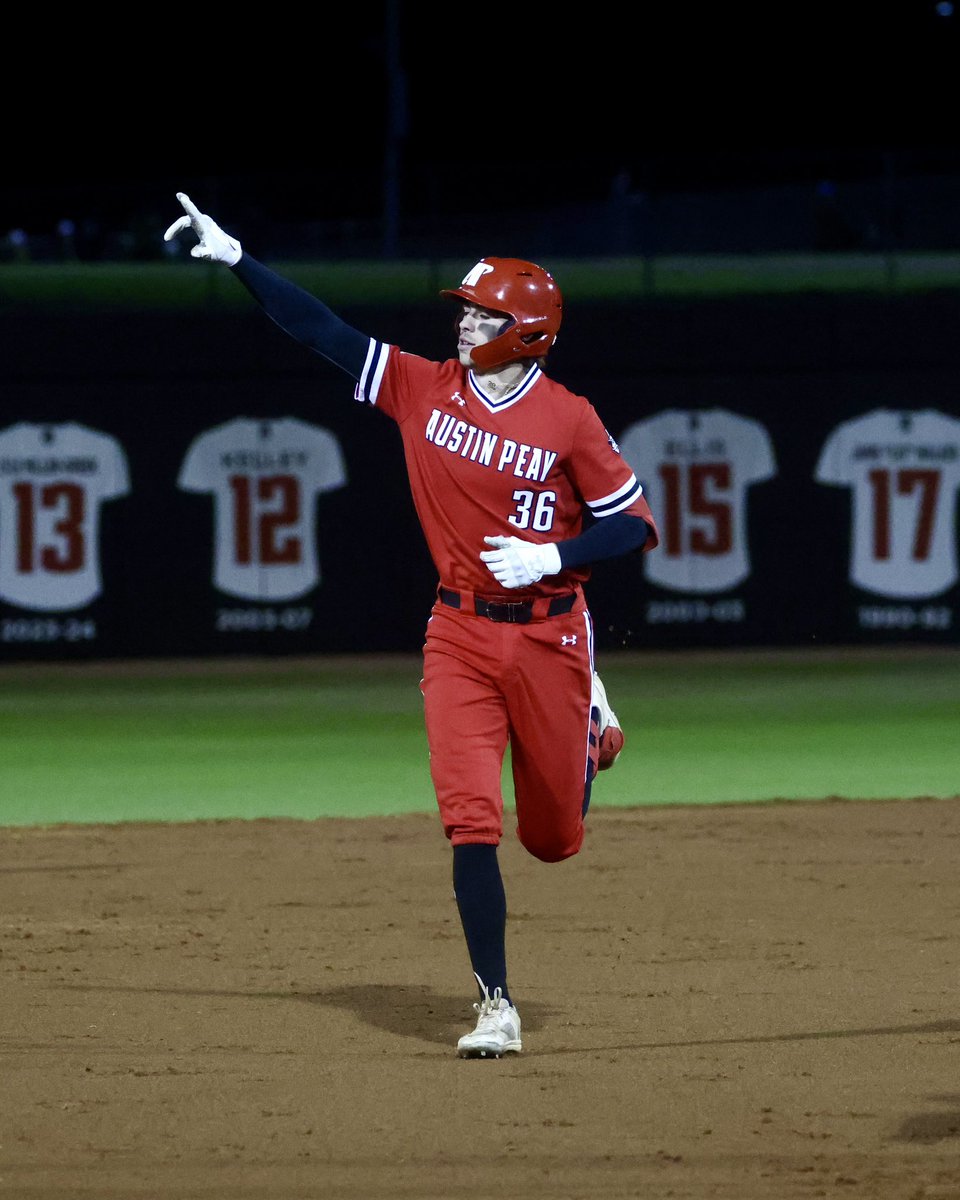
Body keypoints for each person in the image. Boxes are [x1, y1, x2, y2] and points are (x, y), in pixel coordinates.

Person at [163, 194, 660, 1058]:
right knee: (472, 820)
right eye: (464, 313)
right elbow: (325, 333)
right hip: (458, 635)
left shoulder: (568, 418)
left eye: (481, 314)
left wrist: (553, 556)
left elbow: (635, 524)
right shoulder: (423, 388)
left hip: (550, 633)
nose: (465, 326)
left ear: (528, 330)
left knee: (553, 843)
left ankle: (589, 725)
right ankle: (496, 1005)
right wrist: (240, 258)